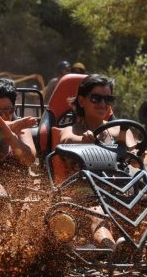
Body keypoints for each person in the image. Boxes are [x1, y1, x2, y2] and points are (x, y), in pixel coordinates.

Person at [59, 74, 138, 249]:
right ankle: (112, 249)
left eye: (107, 99)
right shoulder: (70, 131)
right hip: (86, 194)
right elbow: (66, 141)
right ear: (81, 101)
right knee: (98, 212)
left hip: (121, 191)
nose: (102, 104)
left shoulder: (120, 130)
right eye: (96, 98)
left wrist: (135, 152)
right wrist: (83, 141)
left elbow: (135, 156)